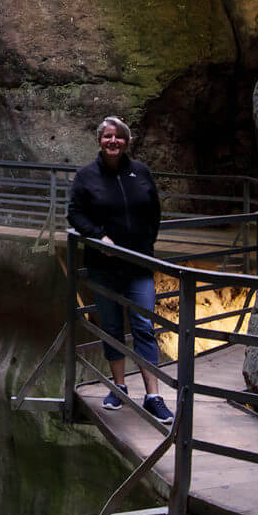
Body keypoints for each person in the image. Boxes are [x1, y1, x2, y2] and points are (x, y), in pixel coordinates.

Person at [67, 117, 172, 421]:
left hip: (139, 265)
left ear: (127, 142)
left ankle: (153, 395)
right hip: (104, 265)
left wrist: (147, 245)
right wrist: (99, 237)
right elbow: (74, 213)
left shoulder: (140, 172)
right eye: (107, 137)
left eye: (119, 137)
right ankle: (119, 387)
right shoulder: (87, 176)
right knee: (112, 326)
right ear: (100, 140)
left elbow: (154, 211)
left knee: (144, 326)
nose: (113, 142)